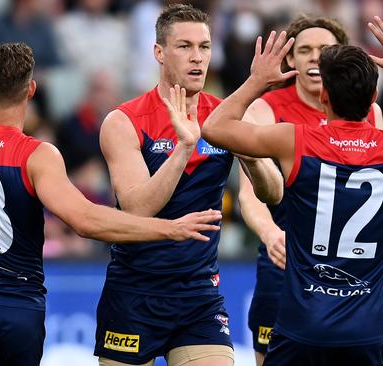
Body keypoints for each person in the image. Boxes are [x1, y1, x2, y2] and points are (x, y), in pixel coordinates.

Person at [200, 15, 383, 365]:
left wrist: (256, 79)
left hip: (302, 321)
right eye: (306, 49)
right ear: (373, 96)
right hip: (364, 327)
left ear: (324, 95)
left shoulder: (295, 141)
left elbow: (215, 127)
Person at [0, 42, 222, 366]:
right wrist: (169, 229)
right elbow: (85, 220)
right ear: (31, 90)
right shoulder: (37, 155)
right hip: (17, 305)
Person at [94, 4, 278, 366]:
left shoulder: (225, 116)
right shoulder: (124, 121)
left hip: (199, 295)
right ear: (159, 53)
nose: (197, 58)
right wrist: (184, 147)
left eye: (205, 47)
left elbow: (273, 193)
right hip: (135, 292)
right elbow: (137, 209)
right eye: (184, 47)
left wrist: (251, 151)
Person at [236, 14, 383, 366]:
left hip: (352, 274)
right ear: (289, 59)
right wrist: (271, 233)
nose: (314, 57)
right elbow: (248, 193)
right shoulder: (266, 109)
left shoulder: (368, 112)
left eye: (324, 49)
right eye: (304, 50)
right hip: (286, 264)